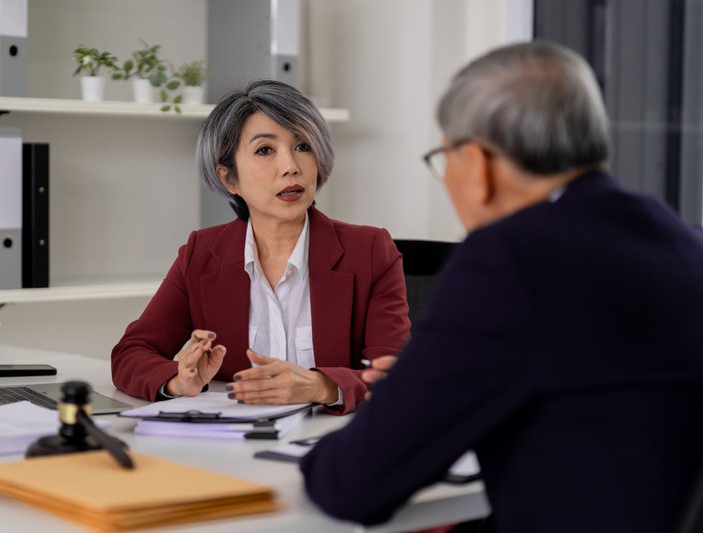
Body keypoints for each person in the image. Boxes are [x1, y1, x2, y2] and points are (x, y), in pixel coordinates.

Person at [300, 41, 703, 531]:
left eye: (444, 157)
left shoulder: (511, 257)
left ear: (478, 162)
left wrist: (401, 401)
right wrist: (429, 381)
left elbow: (349, 483)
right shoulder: (682, 241)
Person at [111, 79, 410, 413]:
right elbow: (131, 354)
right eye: (265, 150)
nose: (291, 166)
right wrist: (180, 380)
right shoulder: (201, 254)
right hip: (233, 446)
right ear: (229, 178)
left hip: (334, 442)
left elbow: (398, 377)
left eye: (302, 146)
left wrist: (322, 386)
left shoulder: (368, 251)